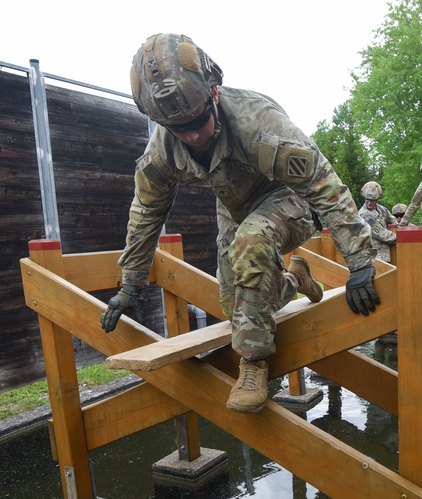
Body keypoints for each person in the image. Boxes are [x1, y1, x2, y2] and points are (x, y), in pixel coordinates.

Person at [101, 33, 381, 414]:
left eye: (198, 121)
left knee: (252, 242)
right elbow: (146, 211)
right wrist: (131, 282)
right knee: (236, 306)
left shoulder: (257, 124)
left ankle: (252, 365)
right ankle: (294, 280)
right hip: (234, 208)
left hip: (288, 198)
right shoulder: (164, 147)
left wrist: (360, 261)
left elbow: (320, 182)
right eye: (179, 129)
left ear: (213, 94)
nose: (193, 135)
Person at [358, 181, 397, 263]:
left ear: (377, 199)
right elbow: (381, 234)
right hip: (373, 257)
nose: (369, 203)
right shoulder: (364, 215)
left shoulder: (381, 209)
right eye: (367, 199)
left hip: (384, 255)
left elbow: (393, 220)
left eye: (373, 200)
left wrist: (400, 227)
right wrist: (401, 237)